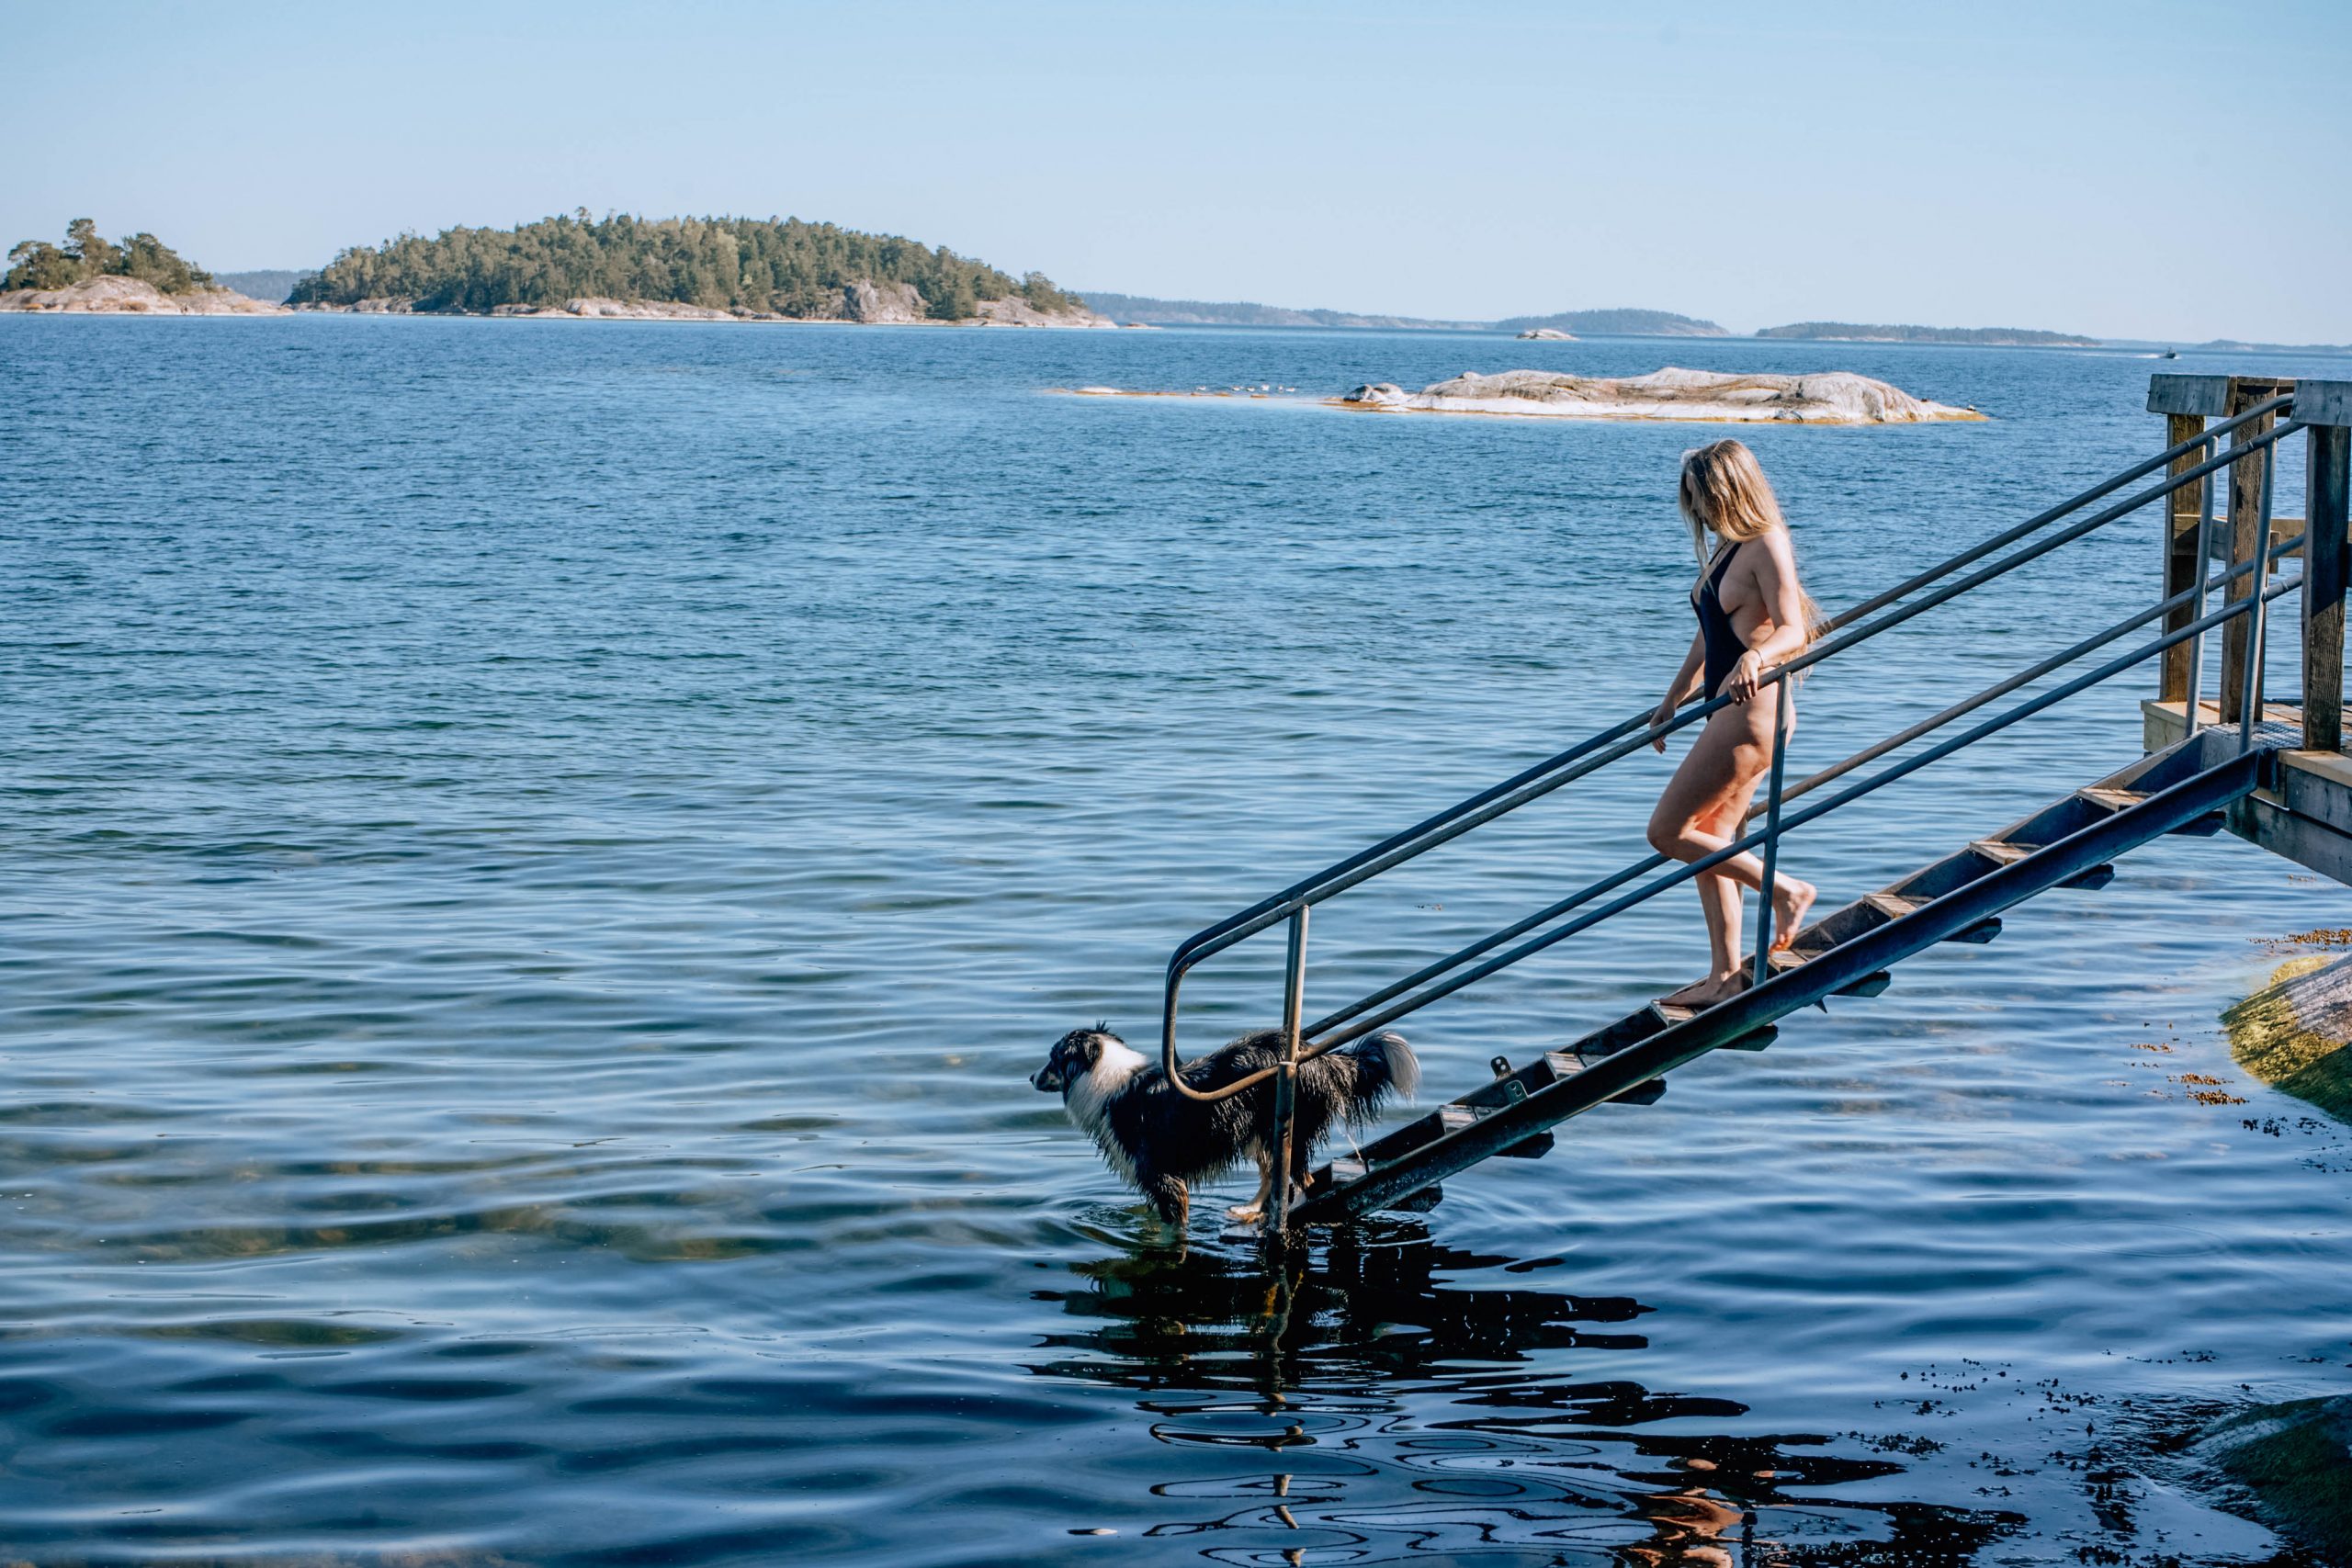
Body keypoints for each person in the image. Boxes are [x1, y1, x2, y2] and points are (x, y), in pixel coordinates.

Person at [1645, 440, 1818, 1005]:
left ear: (1725, 488)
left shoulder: (1767, 542)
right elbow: (1708, 631)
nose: (1694, 509)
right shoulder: (1728, 546)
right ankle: (1724, 977)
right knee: (1711, 838)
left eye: (1698, 496)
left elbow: (1795, 628)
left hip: (1754, 707)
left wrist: (1756, 658)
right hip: (1726, 708)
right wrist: (1674, 696)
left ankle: (1786, 891)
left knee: (1669, 831)